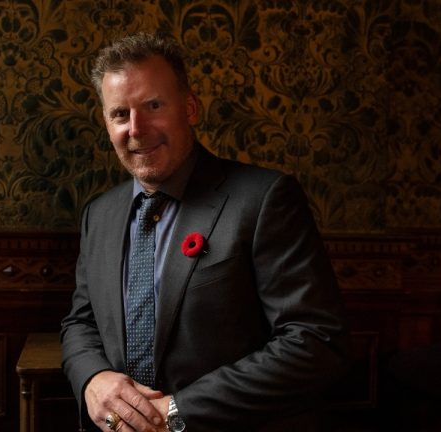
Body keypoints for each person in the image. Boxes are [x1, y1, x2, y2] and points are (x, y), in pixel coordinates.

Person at [60, 32, 347, 432]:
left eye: (153, 105)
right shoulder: (100, 214)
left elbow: (313, 340)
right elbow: (80, 323)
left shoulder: (264, 199)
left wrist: (176, 412)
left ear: (190, 108)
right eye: (120, 114)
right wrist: (94, 378)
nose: (136, 129)